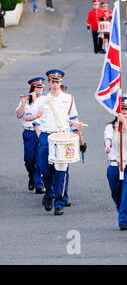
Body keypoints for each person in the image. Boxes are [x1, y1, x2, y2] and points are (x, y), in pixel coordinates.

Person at [25, 70, 84, 216]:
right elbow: (27, 116)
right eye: (53, 82)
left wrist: (78, 128)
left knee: (61, 170)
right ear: (49, 83)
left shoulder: (69, 98)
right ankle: (48, 194)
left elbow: (74, 118)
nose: (55, 84)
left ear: (61, 83)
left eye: (58, 82)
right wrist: (35, 115)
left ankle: (58, 203)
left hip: (63, 137)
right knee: (45, 169)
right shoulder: (42, 99)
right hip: (46, 136)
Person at [104, 97, 127, 230]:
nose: (124, 111)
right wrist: (107, 146)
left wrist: (124, 122)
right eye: (122, 109)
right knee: (116, 192)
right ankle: (122, 210)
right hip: (114, 164)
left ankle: (123, 219)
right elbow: (107, 138)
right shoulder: (110, 126)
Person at [16, 77, 46, 193]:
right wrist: (25, 103)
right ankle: (31, 177)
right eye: (37, 87)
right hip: (29, 132)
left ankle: (39, 184)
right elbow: (19, 115)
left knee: (40, 159)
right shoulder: (26, 99)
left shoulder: (46, 100)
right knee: (29, 160)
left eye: (41, 87)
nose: (40, 90)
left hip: (41, 131)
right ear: (32, 89)